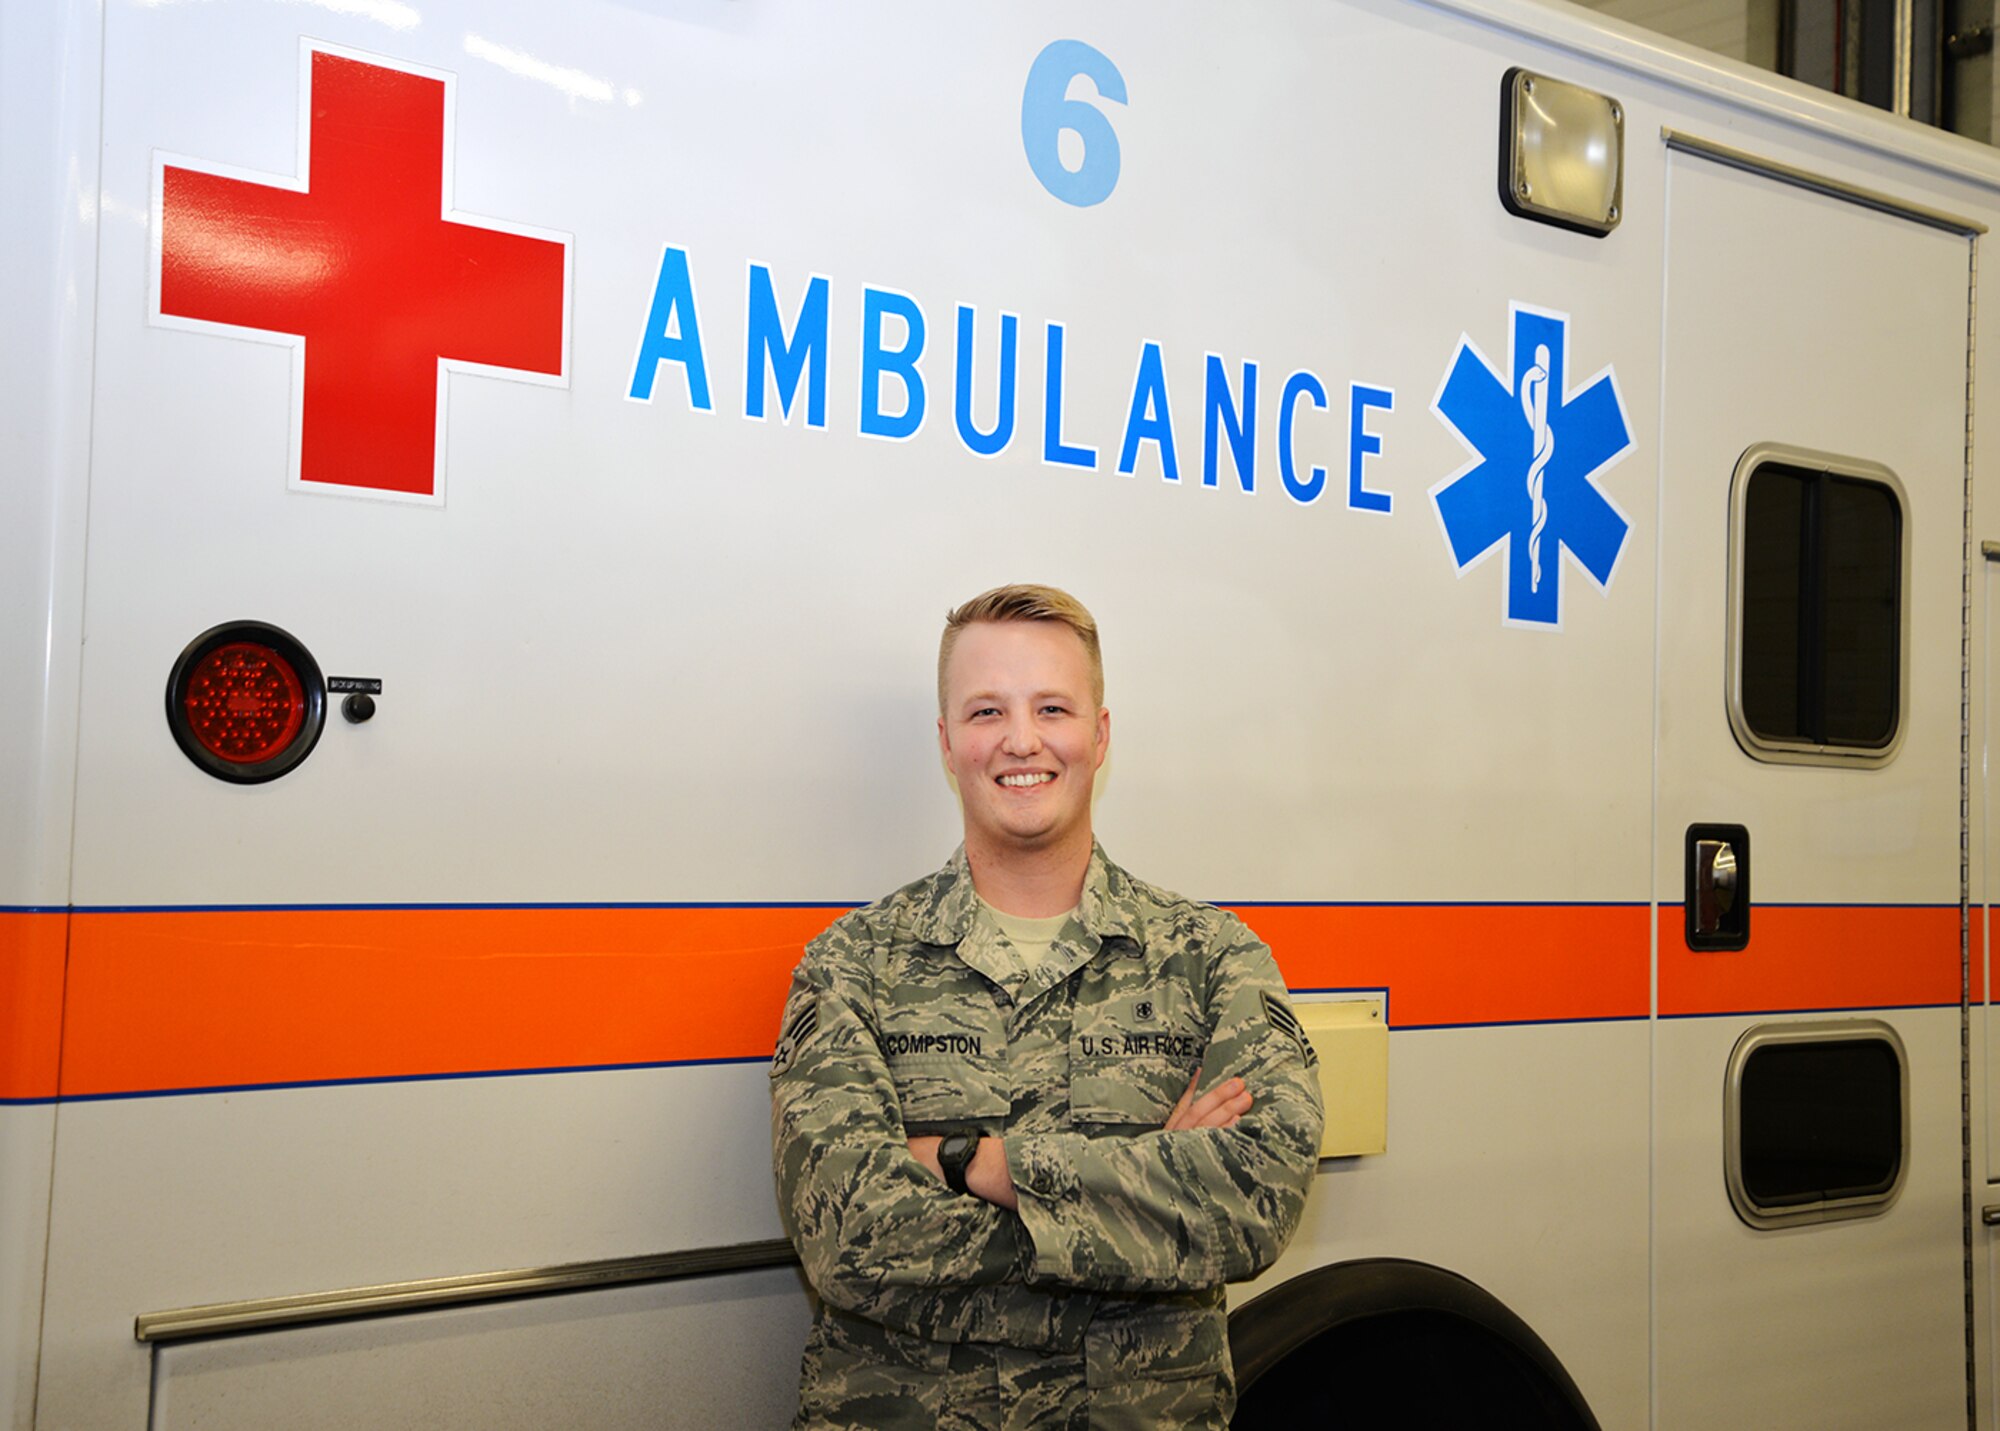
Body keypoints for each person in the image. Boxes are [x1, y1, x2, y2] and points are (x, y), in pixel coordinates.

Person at [769, 583, 1324, 1429]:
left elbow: (1257, 1198)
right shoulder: (853, 967)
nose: (1022, 740)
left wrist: (968, 1162)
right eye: (987, 710)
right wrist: (1142, 1201)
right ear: (947, 741)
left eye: (1053, 707)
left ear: (1099, 735)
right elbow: (846, 1233)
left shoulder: (1212, 959)